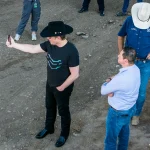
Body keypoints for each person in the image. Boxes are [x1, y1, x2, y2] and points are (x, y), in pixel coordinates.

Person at [6, 21, 80, 147]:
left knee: (63, 111)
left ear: (58, 37)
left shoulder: (71, 51)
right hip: (50, 83)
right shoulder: (49, 45)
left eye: (50, 36)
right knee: (49, 106)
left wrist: (61, 87)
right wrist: (14, 45)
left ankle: (64, 134)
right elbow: (33, 49)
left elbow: (75, 74)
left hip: (63, 87)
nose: (47, 38)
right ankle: (49, 128)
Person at [101, 47, 140, 150]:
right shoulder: (135, 69)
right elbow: (118, 77)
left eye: (120, 54)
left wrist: (108, 81)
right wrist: (112, 80)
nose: (118, 55)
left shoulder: (121, 79)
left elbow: (103, 90)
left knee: (110, 141)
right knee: (124, 135)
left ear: (125, 61)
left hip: (117, 112)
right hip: (130, 108)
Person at [118, 2, 150, 125]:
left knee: (141, 92)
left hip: (145, 64)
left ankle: (136, 114)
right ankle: (126, 111)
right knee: (126, 88)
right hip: (129, 63)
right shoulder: (129, 20)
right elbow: (120, 36)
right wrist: (121, 52)